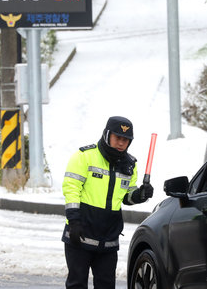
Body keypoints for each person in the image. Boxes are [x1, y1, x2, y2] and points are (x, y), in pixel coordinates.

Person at [61, 116, 154, 289]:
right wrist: (73, 221)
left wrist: (140, 194)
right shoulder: (84, 156)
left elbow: (126, 196)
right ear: (107, 135)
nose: (121, 143)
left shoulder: (130, 165)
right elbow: (71, 189)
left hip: (108, 239)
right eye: (117, 137)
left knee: (106, 286)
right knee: (76, 284)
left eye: (125, 140)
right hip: (80, 233)